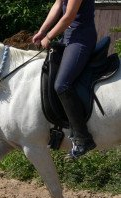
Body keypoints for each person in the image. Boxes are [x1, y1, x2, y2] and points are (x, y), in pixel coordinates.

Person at [32, 0, 97, 158]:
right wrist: (42, 31)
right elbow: (57, 5)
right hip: (68, 37)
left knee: (62, 84)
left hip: (81, 39)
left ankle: (83, 138)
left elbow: (68, 16)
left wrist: (49, 35)